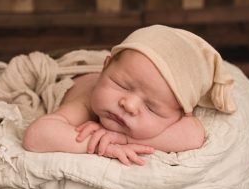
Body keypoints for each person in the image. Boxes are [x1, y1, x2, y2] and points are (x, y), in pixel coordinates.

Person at [22, 25, 237, 165]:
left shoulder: (179, 113)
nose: (129, 105)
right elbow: (37, 136)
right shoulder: (88, 102)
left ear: (180, 114)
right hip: (77, 78)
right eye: (121, 85)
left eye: (151, 107)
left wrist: (123, 138)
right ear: (105, 69)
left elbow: (193, 135)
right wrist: (103, 146)